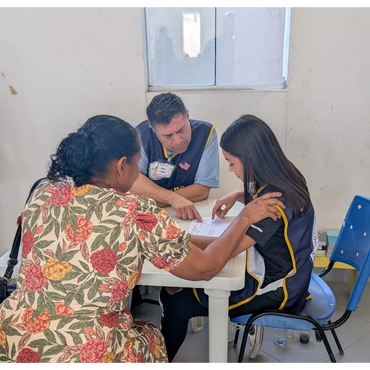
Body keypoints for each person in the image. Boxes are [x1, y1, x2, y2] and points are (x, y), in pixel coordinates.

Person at [0, 114, 285, 365]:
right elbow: (205, 269)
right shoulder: (134, 211)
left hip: (14, 337)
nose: (139, 174)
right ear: (122, 165)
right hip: (89, 351)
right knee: (150, 336)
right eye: (138, 165)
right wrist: (245, 217)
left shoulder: (42, 192)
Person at [159, 114, 319, 364]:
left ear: (251, 159)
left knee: (178, 304)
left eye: (232, 163)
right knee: (174, 291)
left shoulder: (272, 206)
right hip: (292, 271)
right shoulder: (283, 176)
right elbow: (256, 202)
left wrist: (180, 237)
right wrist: (237, 195)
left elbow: (225, 248)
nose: (231, 170)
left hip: (280, 289)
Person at [130, 92, 220, 223]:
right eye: (167, 136)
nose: (177, 141)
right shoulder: (140, 135)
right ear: (153, 130)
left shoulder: (206, 133)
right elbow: (135, 181)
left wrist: (155, 200)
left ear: (187, 116)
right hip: (151, 216)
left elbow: (202, 190)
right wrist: (172, 199)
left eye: (181, 130)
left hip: (186, 214)